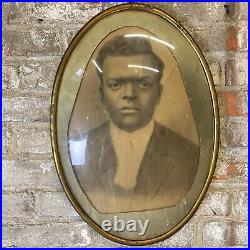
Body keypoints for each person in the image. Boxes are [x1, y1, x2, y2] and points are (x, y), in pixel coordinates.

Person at [71, 35, 200, 213]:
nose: (130, 94)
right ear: (102, 94)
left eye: (143, 84)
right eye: (116, 84)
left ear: (159, 93)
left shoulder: (188, 155)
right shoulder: (79, 149)